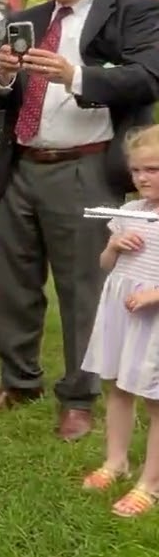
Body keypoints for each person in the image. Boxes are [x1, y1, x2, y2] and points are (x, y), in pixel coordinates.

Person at [0, 0, 159, 441]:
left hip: (84, 164)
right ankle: (18, 380)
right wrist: (6, 74)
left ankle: (78, 397)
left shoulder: (135, 12)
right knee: (14, 283)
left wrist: (75, 75)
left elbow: (147, 80)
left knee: (83, 286)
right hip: (22, 166)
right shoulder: (27, 17)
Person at [80, 125, 159, 517]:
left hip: (154, 321)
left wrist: (154, 295)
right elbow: (105, 264)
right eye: (137, 171)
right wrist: (113, 245)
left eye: (154, 170)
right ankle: (116, 461)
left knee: (155, 398)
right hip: (121, 315)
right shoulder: (126, 212)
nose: (143, 178)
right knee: (117, 388)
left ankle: (151, 482)